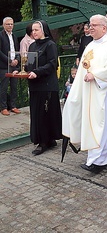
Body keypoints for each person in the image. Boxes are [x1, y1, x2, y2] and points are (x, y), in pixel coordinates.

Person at [62, 14, 107, 173]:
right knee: (99, 124)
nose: (90, 27)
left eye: (94, 25)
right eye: (90, 24)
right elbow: (82, 69)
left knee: (104, 124)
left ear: (104, 27)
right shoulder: (91, 45)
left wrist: (96, 75)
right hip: (90, 92)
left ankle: (97, 160)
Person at [26, 20, 62, 155]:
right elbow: (29, 64)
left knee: (44, 114)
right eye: (32, 30)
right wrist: (22, 70)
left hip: (46, 85)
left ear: (43, 30)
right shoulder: (32, 46)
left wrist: (37, 72)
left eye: (36, 30)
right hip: (35, 85)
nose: (33, 32)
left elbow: (52, 64)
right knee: (37, 114)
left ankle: (44, 142)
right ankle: (47, 139)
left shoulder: (50, 45)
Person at [0, 17, 21, 116]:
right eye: (8, 24)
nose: (10, 26)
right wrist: (9, 61)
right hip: (4, 66)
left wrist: (17, 59)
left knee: (14, 86)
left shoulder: (14, 36)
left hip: (14, 65)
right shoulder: (0, 35)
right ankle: (3, 107)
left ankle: (13, 106)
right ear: (4, 25)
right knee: (4, 87)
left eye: (12, 24)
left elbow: (17, 50)